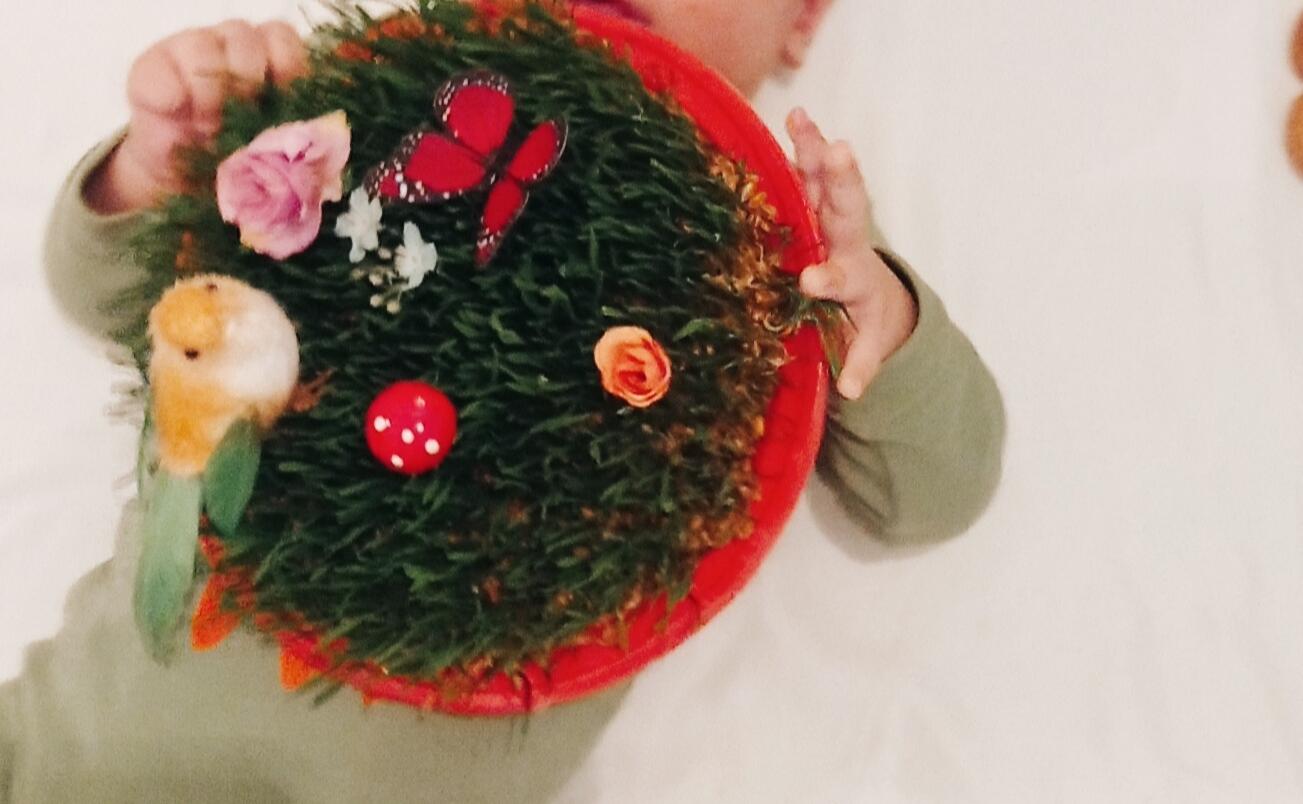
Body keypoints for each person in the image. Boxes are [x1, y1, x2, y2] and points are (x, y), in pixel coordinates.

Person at [3, 2, 1005, 800]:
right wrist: (164, 168)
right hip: (81, 752)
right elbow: (113, 301)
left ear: (802, 20)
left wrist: (879, 319)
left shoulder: (769, 253)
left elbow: (931, 494)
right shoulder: (377, 107)